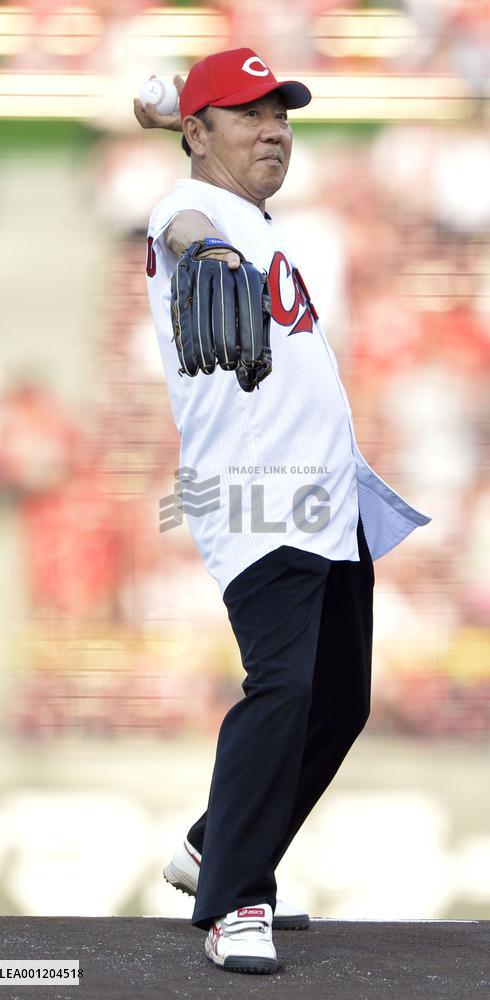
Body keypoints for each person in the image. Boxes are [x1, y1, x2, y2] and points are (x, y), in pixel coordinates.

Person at [134, 47, 431, 975]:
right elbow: (182, 225)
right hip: (259, 495)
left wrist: (186, 120)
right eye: (249, 114)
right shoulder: (198, 214)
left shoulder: (256, 220)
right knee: (285, 689)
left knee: (339, 701)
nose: (273, 130)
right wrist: (205, 244)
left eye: (283, 116)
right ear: (198, 133)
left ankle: (211, 847)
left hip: (324, 497)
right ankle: (233, 901)